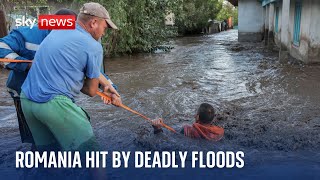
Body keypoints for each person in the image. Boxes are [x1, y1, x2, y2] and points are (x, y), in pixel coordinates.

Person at [0, 8, 78, 144]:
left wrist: (108, 86)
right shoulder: (28, 34)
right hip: (23, 93)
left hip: (58, 96)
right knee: (36, 139)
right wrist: (27, 65)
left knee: (61, 139)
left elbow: (93, 70)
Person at [152, 103, 224, 141]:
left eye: (196, 113)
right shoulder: (219, 132)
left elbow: (167, 137)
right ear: (212, 119)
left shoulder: (186, 129)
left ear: (198, 116)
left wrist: (157, 128)